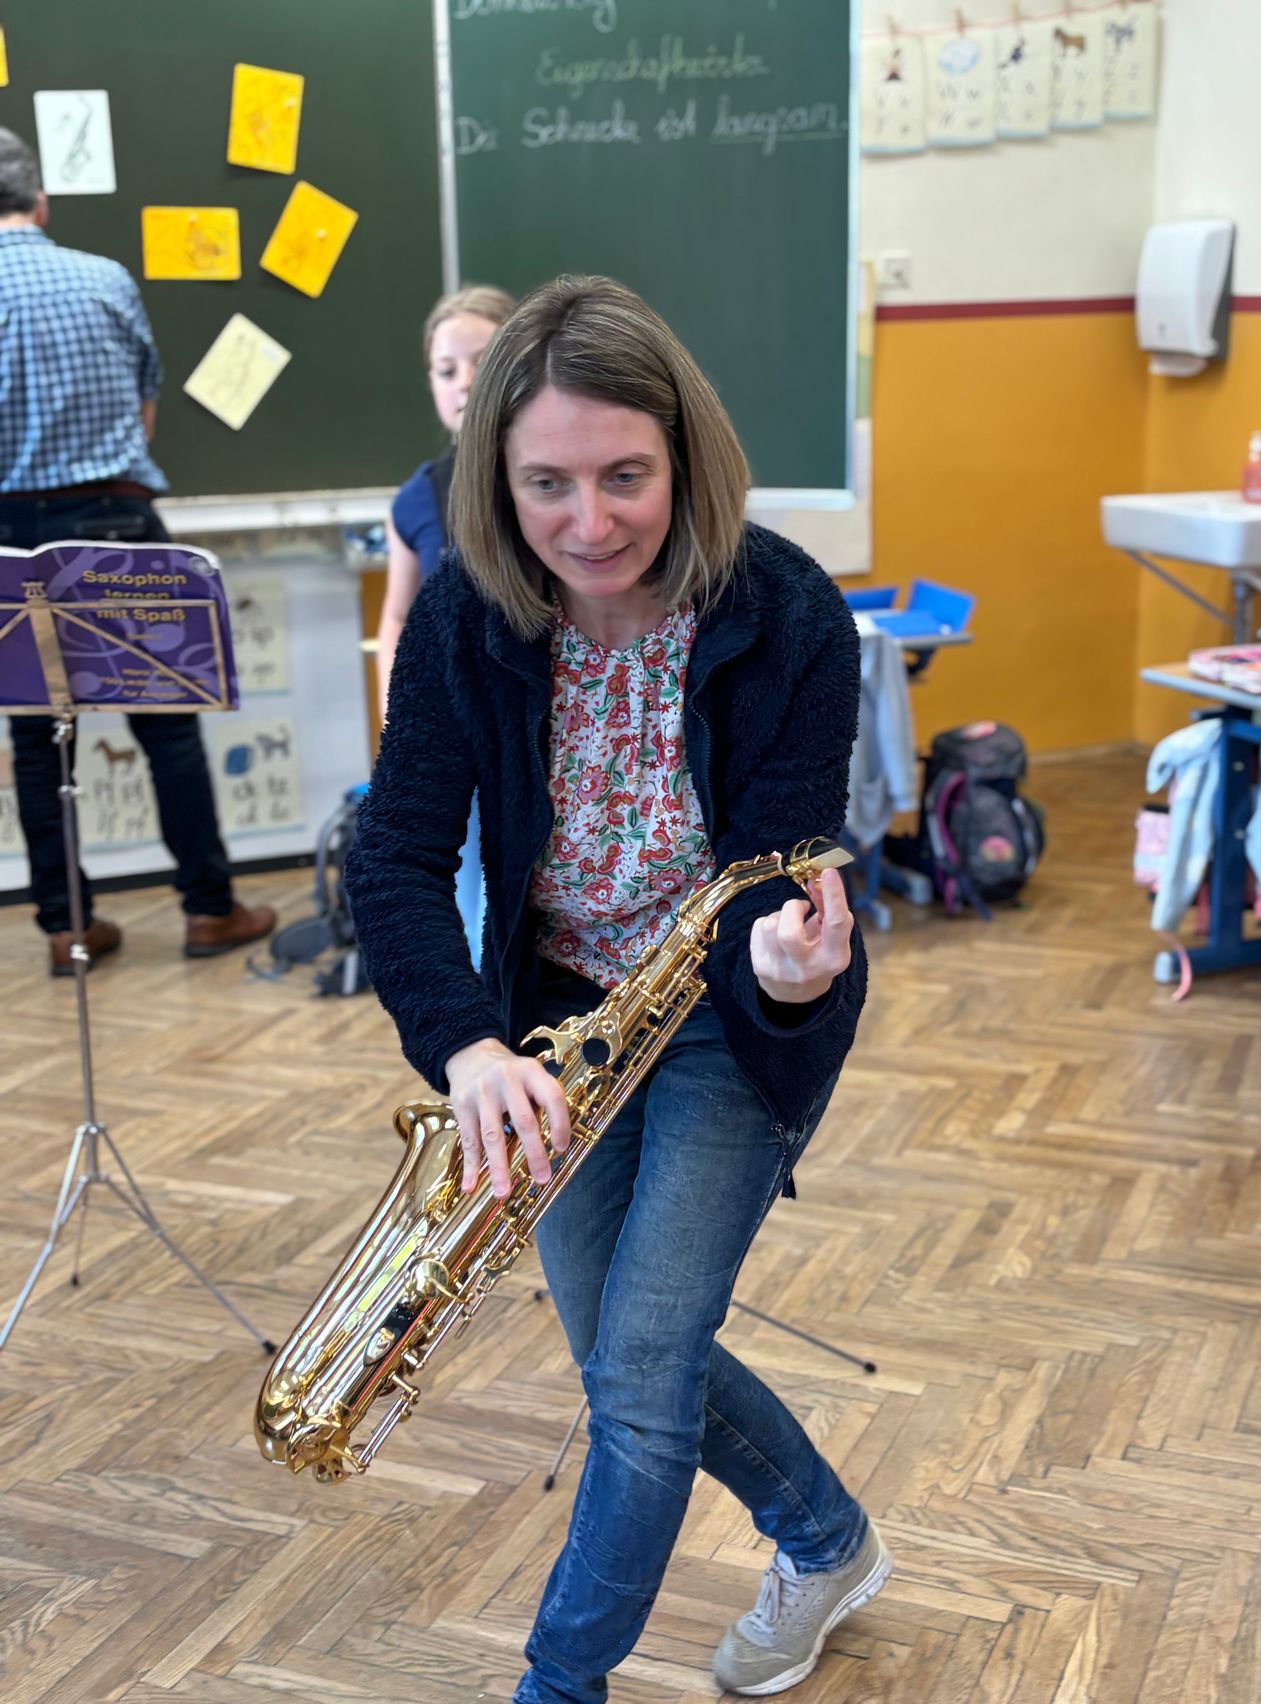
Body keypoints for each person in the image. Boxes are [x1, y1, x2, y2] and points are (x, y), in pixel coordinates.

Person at [346, 276, 890, 1703]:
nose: (587, 523)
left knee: (641, 1378)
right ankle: (825, 1539)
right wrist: (465, 1048)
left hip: (726, 1021)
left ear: (682, 456)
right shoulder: (466, 616)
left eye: (623, 477)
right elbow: (396, 855)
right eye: (545, 484)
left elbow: (780, 873)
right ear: (494, 478)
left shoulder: (786, 612)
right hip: (550, 1022)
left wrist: (784, 967)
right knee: (625, 1357)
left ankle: (557, 1683)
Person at [0, 128, 274, 975]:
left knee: (40, 742)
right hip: (118, 527)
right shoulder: (106, 278)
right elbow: (145, 412)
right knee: (168, 731)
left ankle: (66, 926)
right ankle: (208, 909)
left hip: (9, 539)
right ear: (38, 203)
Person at [376, 286, 516, 968]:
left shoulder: (543, 473)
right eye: (446, 369)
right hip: (452, 734)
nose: (463, 382)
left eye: (482, 361)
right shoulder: (418, 494)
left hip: (531, 736)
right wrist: (394, 725)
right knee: (466, 919)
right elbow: (398, 617)